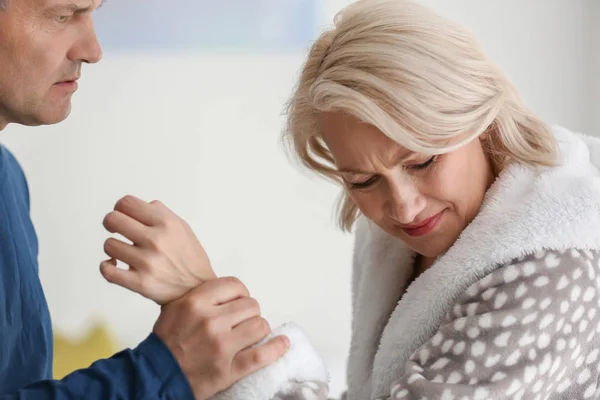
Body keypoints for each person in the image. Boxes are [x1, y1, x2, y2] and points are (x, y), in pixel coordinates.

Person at [105, 0, 600, 399]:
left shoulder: (553, 269)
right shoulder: (401, 245)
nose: (403, 207)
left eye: (422, 161)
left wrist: (209, 302)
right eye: (363, 181)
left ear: (479, 116)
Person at [0, 0, 325, 399]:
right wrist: (161, 373)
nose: (92, 50)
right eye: (63, 16)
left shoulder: (9, 179)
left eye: (92, 13)